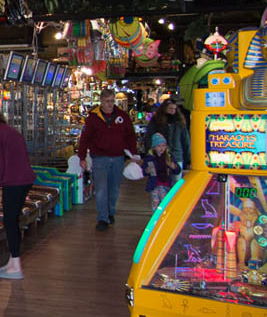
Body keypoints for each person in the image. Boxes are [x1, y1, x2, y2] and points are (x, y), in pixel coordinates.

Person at [0, 103, 35, 280]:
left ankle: (16, 266)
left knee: (10, 221)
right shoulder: (9, 130)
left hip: (14, 182)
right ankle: (12, 262)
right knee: (13, 220)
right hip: (25, 180)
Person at [78, 88, 142, 231]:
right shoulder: (93, 117)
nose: (110, 104)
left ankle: (110, 212)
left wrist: (134, 154)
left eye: (112, 101)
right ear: (101, 101)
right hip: (99, 158)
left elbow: (130, 136)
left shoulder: (122, 116)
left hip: (118, 157)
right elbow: (85, 138)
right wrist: (82, 157)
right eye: (107, 101)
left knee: (114, 189)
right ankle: (103, 218)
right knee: (101, 189)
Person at [143, 98, 191, 170]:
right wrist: (150, 153)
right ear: (164, 109)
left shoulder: (180, 122)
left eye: (174, 109)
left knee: (177, 180)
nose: (173, 111)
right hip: (160, 156)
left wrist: (188, 160)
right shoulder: (156, 121)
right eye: (170, 108)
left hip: (177, 157)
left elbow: (186, 141)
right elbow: (149, 137)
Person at [143, 133, 180, 210]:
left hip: (167, 183)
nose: (161, 148)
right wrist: (147, 170)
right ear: (154, 147)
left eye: (163, 146)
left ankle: (161, 216)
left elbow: (177, 170)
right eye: (159, 146)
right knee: (156, 201)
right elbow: (144, 170)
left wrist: (174, 166)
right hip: (155, 183)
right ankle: (156, 217)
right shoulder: (150, 157)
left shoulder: (169, 156)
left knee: (165, 201)